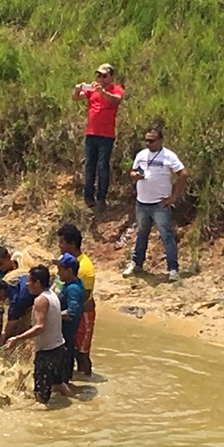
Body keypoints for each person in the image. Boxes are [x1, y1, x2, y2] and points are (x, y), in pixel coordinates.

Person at [123, 127, 188, 282]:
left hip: (160, 203)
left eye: (151, 141)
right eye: (146, 140)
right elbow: (132, 172)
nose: (148, 143)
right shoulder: (141, 155)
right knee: (142, 234)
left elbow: (183, 174)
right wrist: (135, 176)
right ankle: (137, 263)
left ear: (160, 141)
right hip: (142, 202)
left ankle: (173, 269)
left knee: (167, 236)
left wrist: (173, 197)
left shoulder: (169, 156)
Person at [6, 266, 72, 404]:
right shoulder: (52, 295)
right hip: (59, 347)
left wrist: (18, 338)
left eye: (29, 281)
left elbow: (40, 327)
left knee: (41, 395)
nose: (26, 284)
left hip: (47, 353)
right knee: (59, 384)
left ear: (38, 282)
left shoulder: (40, 300)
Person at [72, 63, 124, 210]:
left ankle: (101, 197)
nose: (100, 78)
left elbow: (117, 100)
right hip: (91, 133)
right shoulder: (93, 89)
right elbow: (76, 98)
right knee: (89, 165)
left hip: (106, 135)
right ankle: (88, 196)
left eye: (104, 75)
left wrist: (103, 92)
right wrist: (77, 90)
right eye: (99, 75)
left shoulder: (115, 89)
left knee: (103, 166)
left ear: (111, 77)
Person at [57, 224, 97, 375]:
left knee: (81, 353)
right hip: (67, 311)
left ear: (72, 244)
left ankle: (86, 379)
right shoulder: (65, 261)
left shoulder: (85, 266)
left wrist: (67, 313)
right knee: (68, 350)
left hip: (82, 314)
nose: (59, 246)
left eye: (62, 242)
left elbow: (84, 296)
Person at [56, 254, 86, 386]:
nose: (58, 272)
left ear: (69, 271)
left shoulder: (73, 289)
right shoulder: (72, 284)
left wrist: (53, 315)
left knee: (60, 381)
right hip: (66, 336)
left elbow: (71, 313)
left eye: (60, 269)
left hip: (65, 337)